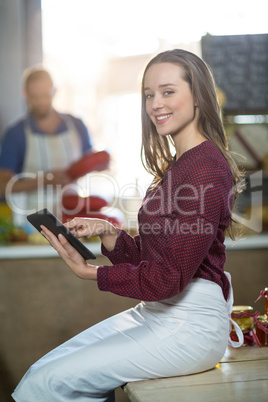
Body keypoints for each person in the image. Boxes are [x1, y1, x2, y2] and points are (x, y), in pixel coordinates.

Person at [12, 49, 244, 402]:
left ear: (198, 96)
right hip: (162, 311)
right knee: (42, 374)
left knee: (48, 385)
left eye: (168, 91)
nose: (155, 104)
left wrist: (92, 273)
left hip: (189, 325)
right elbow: (155, 259)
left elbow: (169, 278)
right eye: (149, 94)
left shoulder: (204, 168)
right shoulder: (179, 163)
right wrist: (107, 232)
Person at [0, 67, 93, 223]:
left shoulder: (77, 126)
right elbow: (3, 185)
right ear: (25, 94)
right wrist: (44, 180)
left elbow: (92, 164)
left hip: (75, 219)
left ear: (54, 91)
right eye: (34, 97)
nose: (41, 102)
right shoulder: (15, 133)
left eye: (45, 95)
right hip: (32, 225)